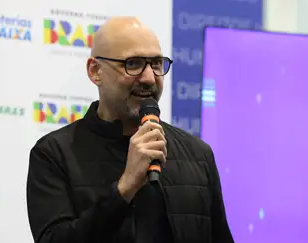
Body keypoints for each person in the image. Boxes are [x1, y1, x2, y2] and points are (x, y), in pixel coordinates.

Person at [26, 16, 234, 243]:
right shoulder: (54, 154)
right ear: (95, 71)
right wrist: (124, 189)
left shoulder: (198, 155)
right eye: (132, 64)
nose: (148, 78)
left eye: (156, 64)